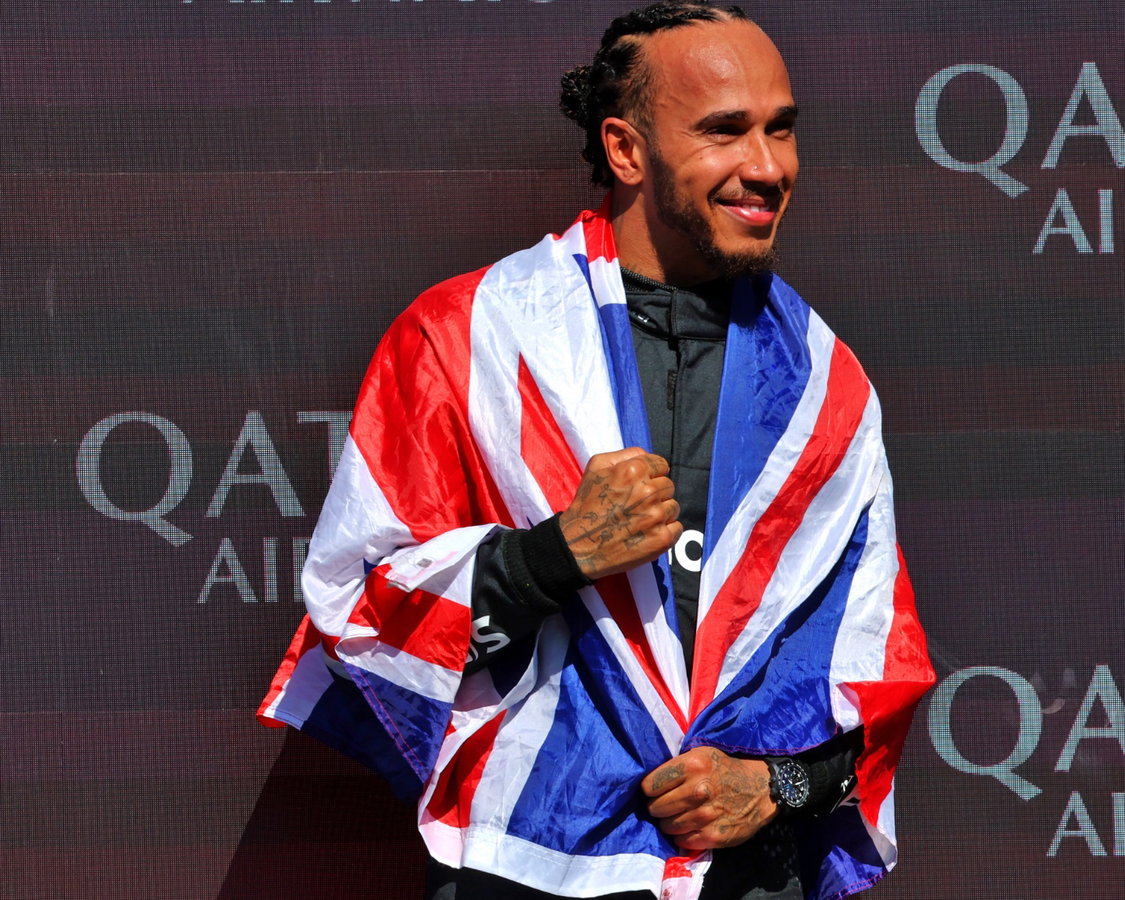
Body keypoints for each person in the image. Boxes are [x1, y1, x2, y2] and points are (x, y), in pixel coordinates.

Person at [257, 4, 933, 899]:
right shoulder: (468, 338)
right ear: (625, 151)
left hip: (745, 880)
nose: (767, 167)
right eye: (726, 132)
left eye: (782, 129)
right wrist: (549, 557)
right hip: (524, 868)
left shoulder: (825, 384)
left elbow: (874, 674)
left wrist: (776, 786)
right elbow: (355, 613)